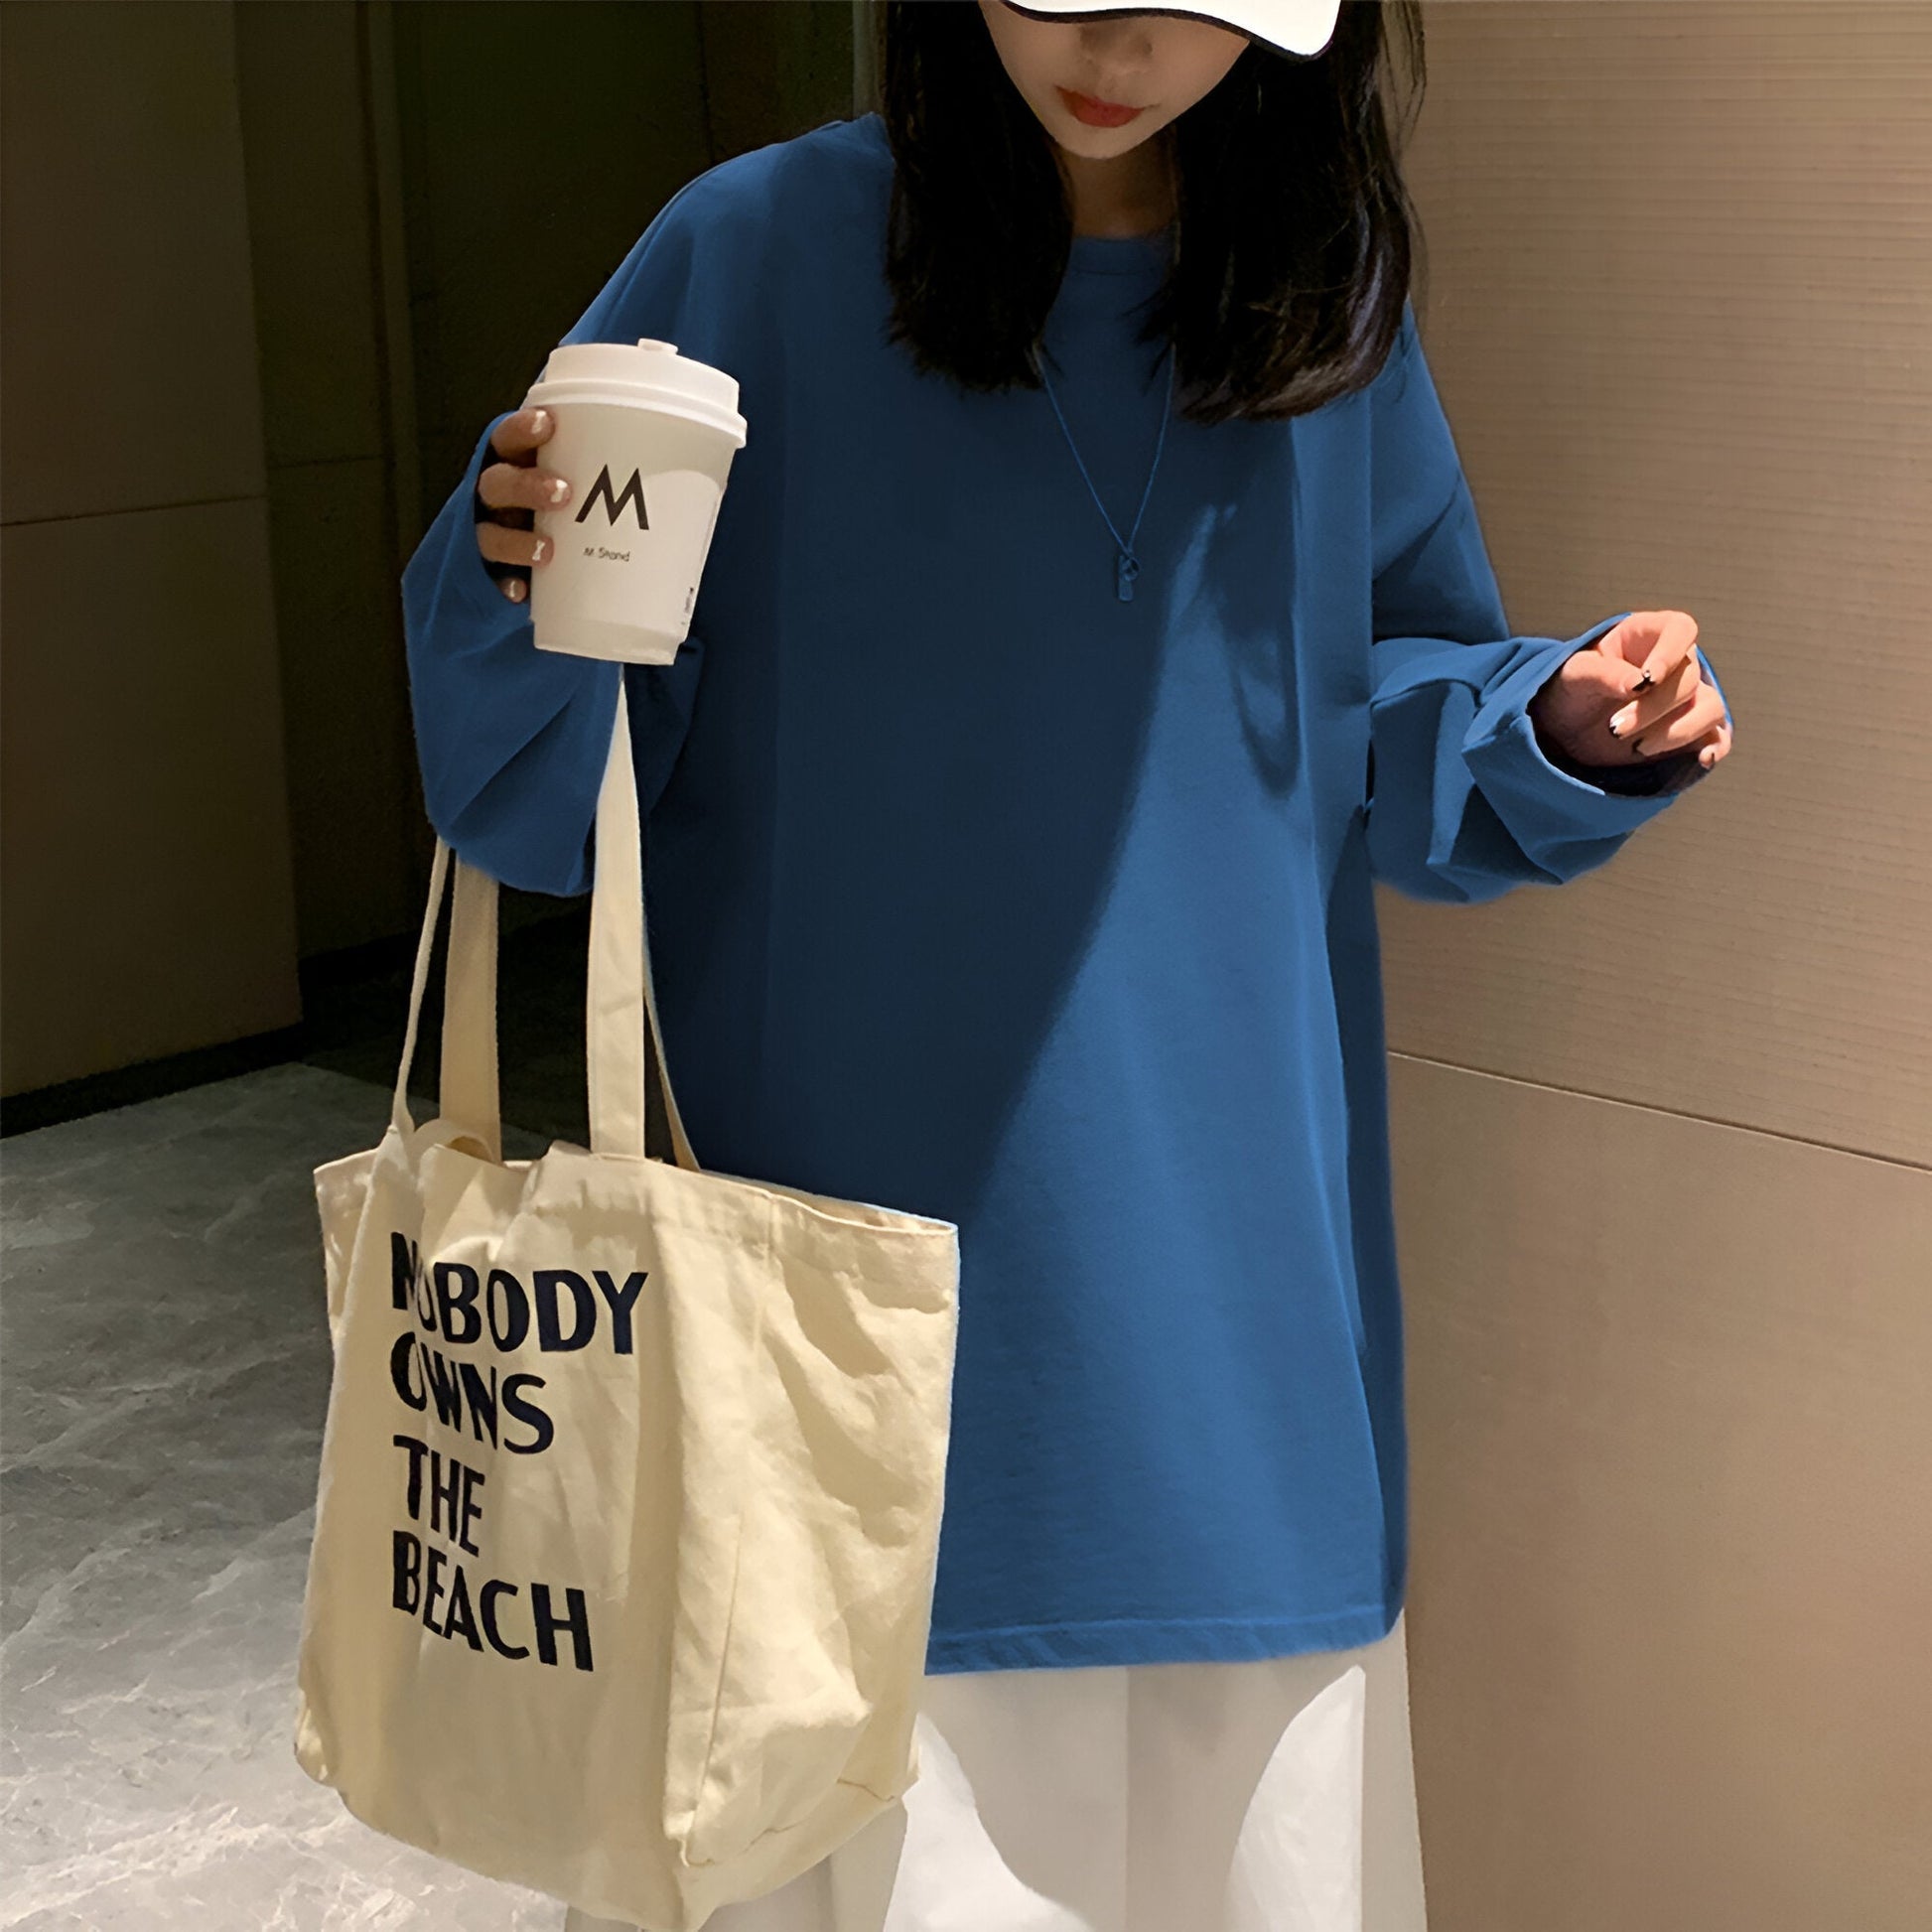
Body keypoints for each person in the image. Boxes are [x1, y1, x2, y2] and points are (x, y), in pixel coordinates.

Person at [401, 4, 1736, 1927]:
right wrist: (514, 567)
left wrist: (1557, 724)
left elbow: (1370, 690)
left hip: (1223, 1279)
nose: (1118, 43)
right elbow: (546, 788)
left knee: (1243, 1838)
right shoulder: (754, 249)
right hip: (830, 1259)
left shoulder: (1316, 291)